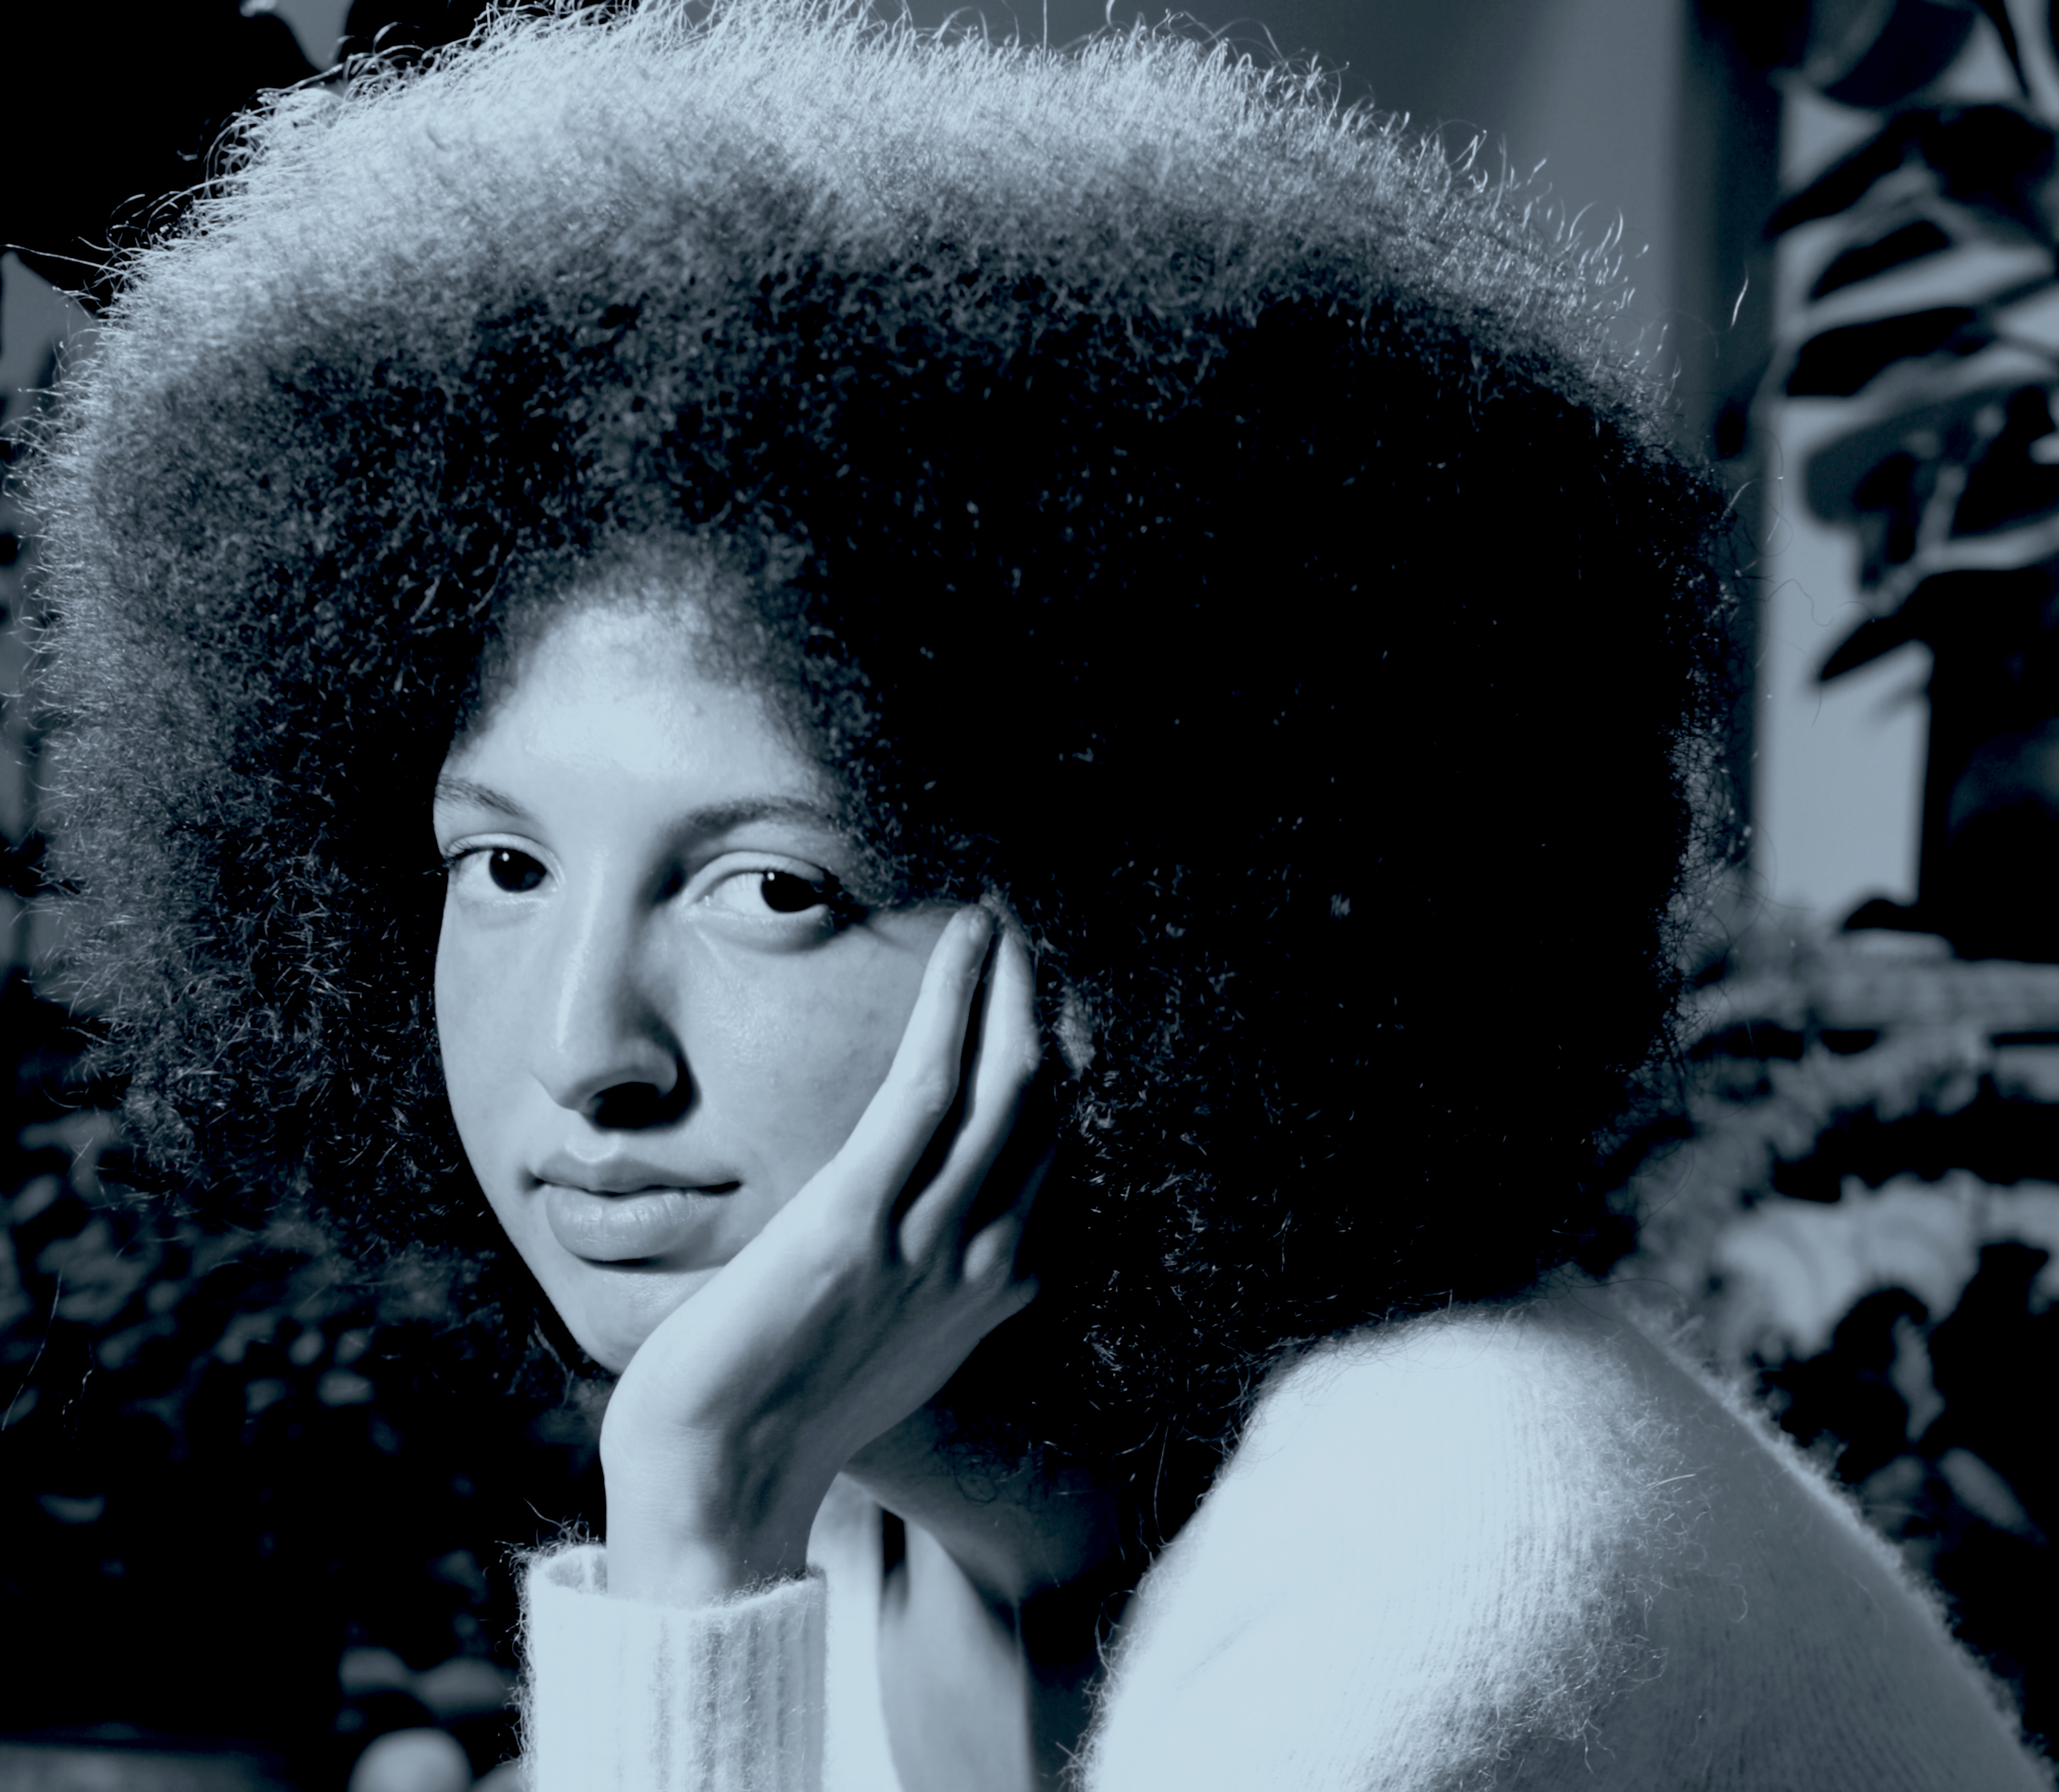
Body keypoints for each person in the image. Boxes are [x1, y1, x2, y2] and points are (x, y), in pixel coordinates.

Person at [24, 2, 2055, 1786]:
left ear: (1158, 927)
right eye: (504, 864)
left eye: (774, 887)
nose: (582, 1049)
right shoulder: (876, 1505)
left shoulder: (1474, 1533)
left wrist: (695, 1531)